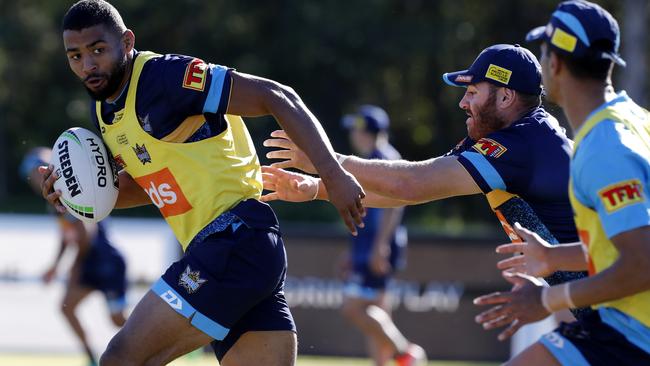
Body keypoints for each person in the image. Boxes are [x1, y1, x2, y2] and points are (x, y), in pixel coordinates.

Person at [40, 1, 366, 365]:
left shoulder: (164, 78)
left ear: (127, 41)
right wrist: (75, 196)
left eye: (98, 50)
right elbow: (146, 187)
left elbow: (277, 95)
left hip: (234, 238)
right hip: (239, 251)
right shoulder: (104, 111)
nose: (87, 65)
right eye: (75, 56)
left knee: (121, 359)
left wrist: (333, 175)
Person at [261, 43, 585, 358]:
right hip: (598, 304)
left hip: (613, 305)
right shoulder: (518, 137)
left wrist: (325, 161)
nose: (462, 103)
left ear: (505, 96)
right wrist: (319, 187)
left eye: (472, 92)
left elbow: (410, 185)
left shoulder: (517, 144)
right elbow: (410, 190)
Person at [473, 1, 650, 365]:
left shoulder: (605, 147)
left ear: (554, 63)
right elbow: (626, 240)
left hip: (633, 336)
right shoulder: (633, 121)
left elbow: (641, 264)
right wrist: (555, 257)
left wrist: (548, 300)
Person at [20, 147, 127, 366]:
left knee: (118, 321)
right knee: (66, 307)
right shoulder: (54, 199)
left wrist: (75, 267)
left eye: (34, 174)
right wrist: (55, 266)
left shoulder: (67, 193)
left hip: (105, 263)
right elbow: (67, 237)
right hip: (91, 261)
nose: (32, 181)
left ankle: (164, 336)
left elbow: (86, 234)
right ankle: (91, 360)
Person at [336, 105, 422, 366]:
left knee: (354, 308)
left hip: (377, 246)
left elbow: (396, 206)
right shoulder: (377, 156)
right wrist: (353, 250)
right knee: (378, 314)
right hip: (369, 245)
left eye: (356, 129)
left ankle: (406, 353)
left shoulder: (383, 158)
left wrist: (379, 247)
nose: (353, 135)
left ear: (365, 132)